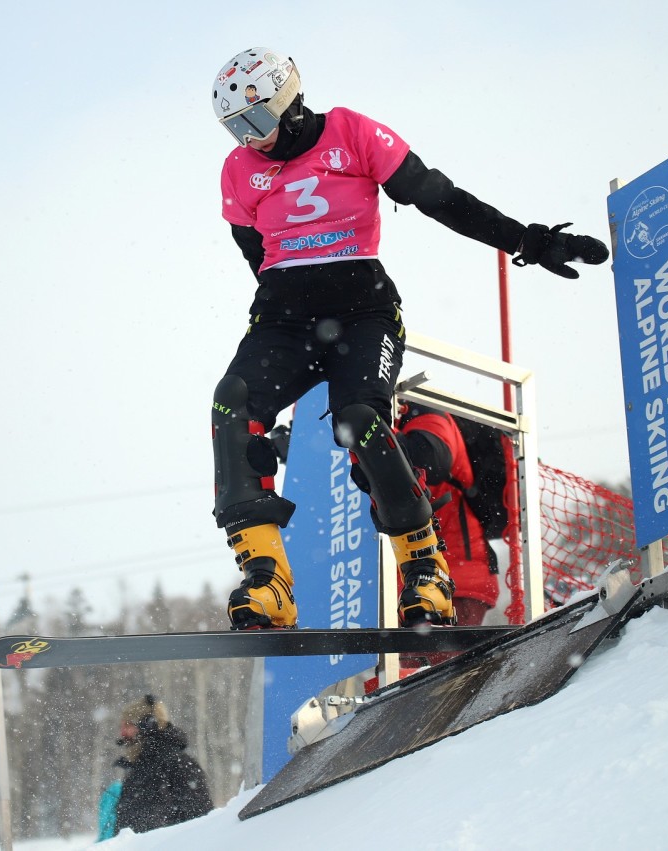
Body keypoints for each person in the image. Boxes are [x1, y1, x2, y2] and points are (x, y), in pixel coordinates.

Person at [209, 47, 609, 630]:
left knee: (361, 421)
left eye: (257, 122)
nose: (251, 140)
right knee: (232, 403)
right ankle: (267, 580)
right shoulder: (238, 171)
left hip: (363, 312)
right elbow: (259, 257)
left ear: (288, 101)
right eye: (235, 129)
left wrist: (528, 240)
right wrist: (291, 326)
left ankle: (425, 571)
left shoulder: (352, 132)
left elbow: (441, 198)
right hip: (286, 320)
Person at [395, 403, 508, 625]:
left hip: (455, 578)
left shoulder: (426, 411)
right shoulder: (404, 418)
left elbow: (432, 461)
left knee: (446, 657)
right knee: (412, 657)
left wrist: (373, 434)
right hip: (417, 577)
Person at [109, 695, 213, 836]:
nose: (122, 733)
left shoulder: (180, 765)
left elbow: (202, 829)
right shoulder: (137, 770)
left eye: (128, 725)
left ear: (148, 724)